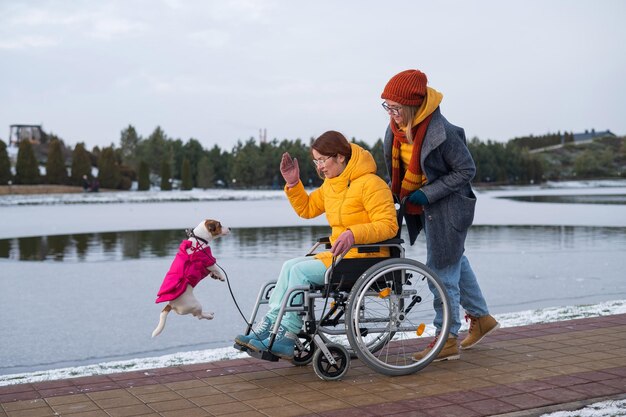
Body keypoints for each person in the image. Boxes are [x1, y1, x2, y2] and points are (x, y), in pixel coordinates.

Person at [234, 130, 398, 360]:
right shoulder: (332, 185)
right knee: (290, 265)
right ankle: (270, 325)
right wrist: (293, 183)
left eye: (322, 160)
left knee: (300, 271)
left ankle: (288, 333)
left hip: (365, 257)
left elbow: (388, 225)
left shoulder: (372, 184)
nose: (319, 167)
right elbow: (308, 209)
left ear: (340, 156)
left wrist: (354, 233)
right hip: (342, 256)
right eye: (316, 161)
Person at [380, 69, 499, 362]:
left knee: (439, 272)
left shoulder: (442, 133)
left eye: (396, 108)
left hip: (448, 209)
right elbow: (399, 170)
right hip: (424, 208)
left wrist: (428, 192)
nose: (391, 113)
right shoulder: (395, 129)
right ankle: (482, 318)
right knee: (454, 260)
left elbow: (466, 170)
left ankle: (446, 337)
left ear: (412, 105)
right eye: (387, 106)